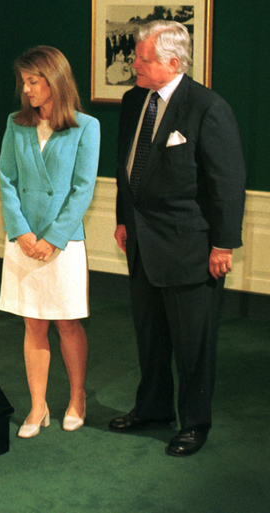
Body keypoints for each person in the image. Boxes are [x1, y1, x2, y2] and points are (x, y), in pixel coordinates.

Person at [111, 20, 246, 456]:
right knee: (150, 337)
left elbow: (228, 182)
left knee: (193, 345)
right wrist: (122, 218)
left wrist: (223, 244)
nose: (134, 64)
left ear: (172, 62)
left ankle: (194, 423)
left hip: (191, 249)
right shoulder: (135, 101)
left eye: (142, 59)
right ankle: (152, 408)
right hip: (141, 244)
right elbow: (126, 167)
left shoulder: (207, 108)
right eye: (136, 56)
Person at [0, 46, 100, 438]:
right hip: (22, 241)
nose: (26, 90)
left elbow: (82, 189)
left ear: (54, 80)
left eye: (33, 81)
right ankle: (37, 406)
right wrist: (21, 232)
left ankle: (77, 398)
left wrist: (53, 239)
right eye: (24, 82)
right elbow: (6, 180)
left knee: (67, 323)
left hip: (63, 243)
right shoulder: (15, 123)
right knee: (33, 324)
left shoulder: (86, 127)